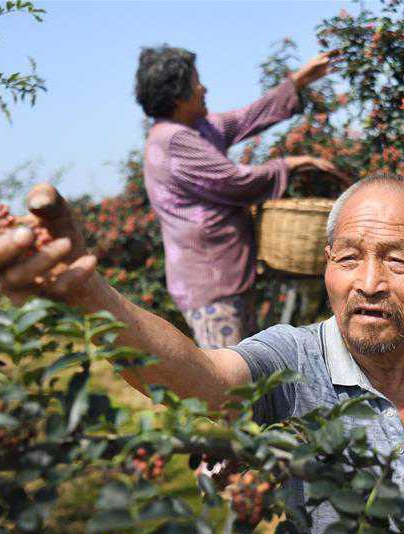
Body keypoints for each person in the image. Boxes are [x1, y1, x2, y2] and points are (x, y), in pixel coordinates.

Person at [0, 173, 404, 534]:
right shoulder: (294, 360)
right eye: (348, 258)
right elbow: (205, 378)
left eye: (397, 259)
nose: (369, 282)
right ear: (326, 267)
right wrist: (90, 295)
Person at [135, 45, 342, 349]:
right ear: (178, 96)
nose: (203, 88)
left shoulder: (195, 129)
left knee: (248, 368)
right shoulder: (174, 140)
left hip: (226, 273)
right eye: (196, 82)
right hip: (210, 280)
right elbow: (233, 182)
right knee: (232, 380)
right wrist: (289, 164)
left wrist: (297, 81)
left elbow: (246, 118)